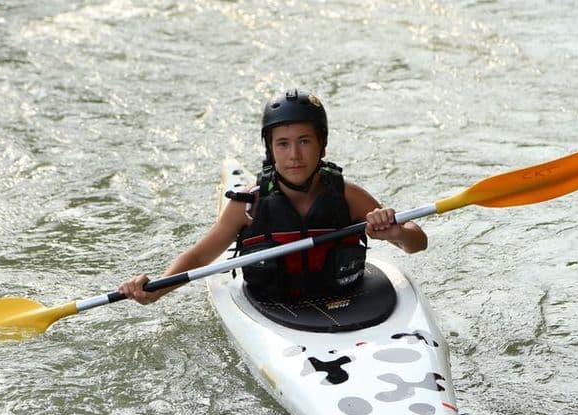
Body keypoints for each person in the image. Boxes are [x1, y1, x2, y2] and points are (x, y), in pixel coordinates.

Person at [119, 89, 427, 304]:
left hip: (348, 299)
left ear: (323, 145)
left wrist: (396, 233)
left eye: (305, 141)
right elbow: (199, 257)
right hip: (273, 306)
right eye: (283, 144)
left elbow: (417, 242)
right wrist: (157, 289)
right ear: (270, 149)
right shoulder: (247, 206)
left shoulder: (348, 196)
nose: (294, 155)